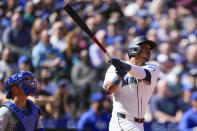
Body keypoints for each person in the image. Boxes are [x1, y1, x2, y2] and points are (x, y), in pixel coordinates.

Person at [103, 36, 160, 131]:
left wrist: (124, 66)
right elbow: (109, 90)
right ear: (134, 49)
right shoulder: (114, 68)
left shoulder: (153, 68)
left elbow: (144, 75)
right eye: (146, 48)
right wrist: (119, 76)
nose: (149, 51)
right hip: (121, 121)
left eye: (150, 49)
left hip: (139, 124)